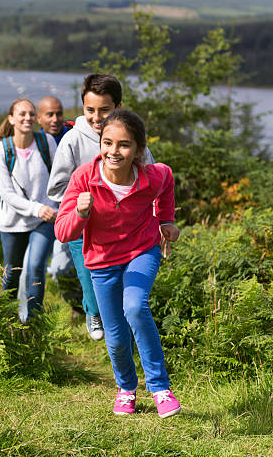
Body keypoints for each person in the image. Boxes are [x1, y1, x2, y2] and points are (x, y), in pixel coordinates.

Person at [54, 109, 181, 418]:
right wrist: (81, 214)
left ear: (138, 150)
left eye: (124, 145)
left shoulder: (153, 175)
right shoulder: (84, 178)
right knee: (115, 336)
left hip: (142, 251)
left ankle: (160, 388)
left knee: (136, 307)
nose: (114, 151)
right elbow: (62, 231)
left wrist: (166, 219)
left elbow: (166, 183)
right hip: (102, 261)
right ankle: (126, 389)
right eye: (107, 143)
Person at [47, 74, 154, 341]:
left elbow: (151, 182)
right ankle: (91, 311)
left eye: (104, 110)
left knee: (121, 293)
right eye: (90, 110)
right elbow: (56, 188)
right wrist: (83, 202)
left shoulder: (132, 138)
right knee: (91, 284)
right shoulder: (73, 140)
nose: (96, 117)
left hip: (125, 230)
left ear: (117, 107)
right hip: (84, 227)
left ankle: (123, 339)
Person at [0, 98, 57, 322]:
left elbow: (59, 178)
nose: (27, 118)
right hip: (13, 223)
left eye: (31, 114)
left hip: (44, 220)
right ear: (11, 119)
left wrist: (54, 207)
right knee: (12, 274)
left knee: (36, 268)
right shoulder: (0, 151)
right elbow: (7, 196)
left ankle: (34, 323)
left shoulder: (46, 142)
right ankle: (6, 323)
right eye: (22, 114)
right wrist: (37, 208)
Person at [17, 95, 83, 316]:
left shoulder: (75, 136)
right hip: (43, 216)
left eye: (59, 113)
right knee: (39, 267)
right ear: (39, 118)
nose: (55, 119)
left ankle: (83, 307)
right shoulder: (33, 142)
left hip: (72, 213)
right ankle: (27, 317)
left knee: (63, 267)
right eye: (49, 114)